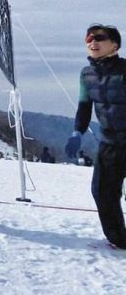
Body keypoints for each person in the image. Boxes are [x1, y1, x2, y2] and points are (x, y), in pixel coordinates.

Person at [65, 23, 126, 249]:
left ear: (115, 45)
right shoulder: (86, 74)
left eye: (99, 38)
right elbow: (84, 106)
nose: (93, 42)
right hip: (109, 143)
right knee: (102, 192)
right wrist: (77, 132)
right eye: (89, 39)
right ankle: (119, 240)